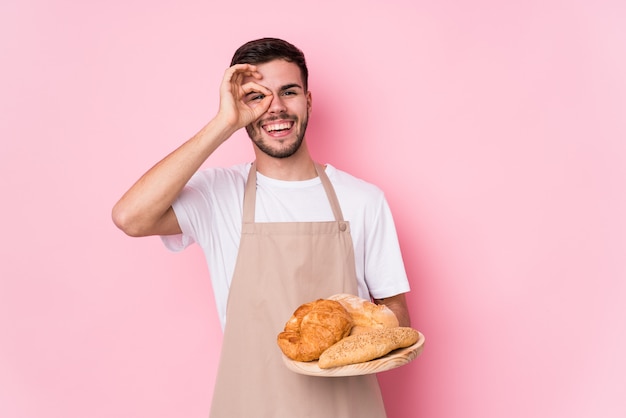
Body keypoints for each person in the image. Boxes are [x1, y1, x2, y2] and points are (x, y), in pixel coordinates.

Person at [112, 37, 411, 418]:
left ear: (309, 101)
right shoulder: (219, 195)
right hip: (249, 404)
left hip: (346, 406)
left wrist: (348, 345)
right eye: (258, 97)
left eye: (289, 91)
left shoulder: (363, 199)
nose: (276, 108)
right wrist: (223, 124)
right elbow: (130, 217)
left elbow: (396, 316)